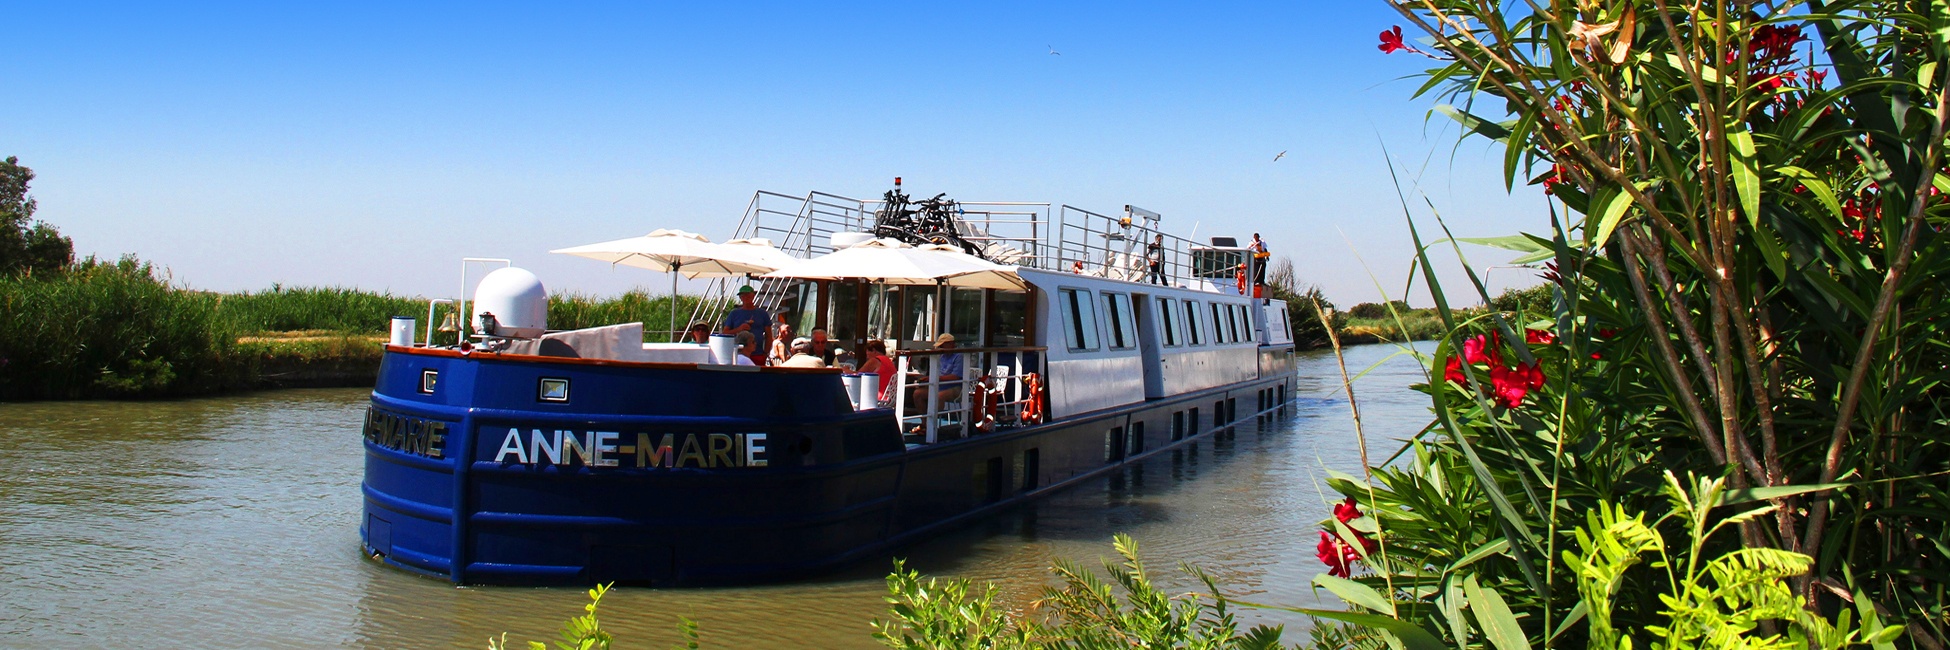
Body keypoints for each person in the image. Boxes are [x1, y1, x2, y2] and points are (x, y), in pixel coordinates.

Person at [720, 285, 772, 354]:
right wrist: (739, 329)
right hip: (738, 353)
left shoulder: (762, 313)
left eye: (747, 295)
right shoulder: (734, 313)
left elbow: (769, 336)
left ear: (753, 296)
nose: (745, 297)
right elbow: (725, 333)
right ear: (740, 298)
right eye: (742, 296)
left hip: (757, 353)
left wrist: (765, 353)